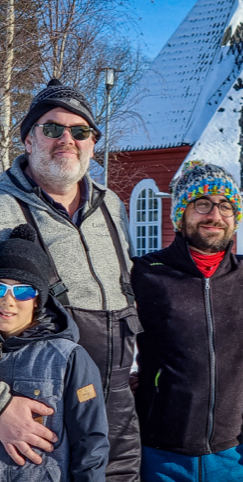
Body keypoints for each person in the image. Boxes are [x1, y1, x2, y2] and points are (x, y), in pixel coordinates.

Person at [0, 79, 141, 480]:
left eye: (80, 132)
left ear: (92, 145)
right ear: (28, 140)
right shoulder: (2, 207)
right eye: (52, 128)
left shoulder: (111, 204)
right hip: (40, 404)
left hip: (115, 402)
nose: (67, 139)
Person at [131, 160, 243, 482]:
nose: (214, 215)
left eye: (225, 206)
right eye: (202, 204)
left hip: (230, 454)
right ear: (181, 215)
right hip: (160, 455)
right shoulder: (146, 273)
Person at [0, 223, 109, 481]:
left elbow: (90, 443)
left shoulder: (67, 357)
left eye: (23, 291)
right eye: (0, 287)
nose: (8, 301)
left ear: (39, 300)